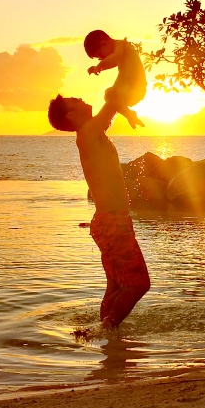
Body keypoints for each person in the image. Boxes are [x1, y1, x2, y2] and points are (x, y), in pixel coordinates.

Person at [48, 94, 151, 331]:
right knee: (138, 285)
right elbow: (114, 96)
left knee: (116, 286)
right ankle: (103, 330)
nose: (83, 98)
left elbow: (112, 108)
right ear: (71, 115)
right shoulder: (88, 133)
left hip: (109, 221)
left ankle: (108, 345)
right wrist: (125, 108)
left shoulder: (91, 134)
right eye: (76, 100)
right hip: (113, 222)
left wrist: (123, 110)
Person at [84, 30, 146, 129]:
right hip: (128, 88)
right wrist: (99, 67)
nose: (103, 59)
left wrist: (100, 65)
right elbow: (113, 61)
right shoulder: (120, 52)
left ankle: (98, 126)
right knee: (108, 95)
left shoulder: (121, 44)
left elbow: (116, 57)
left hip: (135, 87)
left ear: (103, 44)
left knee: (112, 97)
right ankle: (129, 114)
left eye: (101, 56)